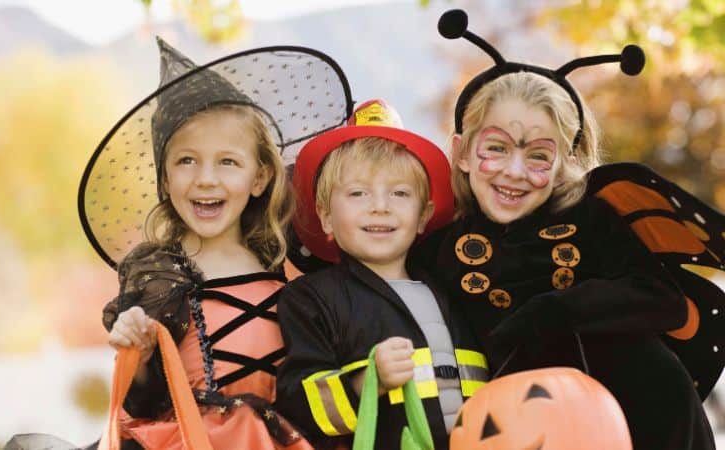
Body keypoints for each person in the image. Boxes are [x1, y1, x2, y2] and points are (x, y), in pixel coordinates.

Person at [412, 9, 720, 450]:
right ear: (461, 152)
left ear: (564, 165)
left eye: (538, 155)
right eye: (495, 148)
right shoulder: (439, 251)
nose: (514, 172)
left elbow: (663, 300)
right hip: (515, 428)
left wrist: (553, 311)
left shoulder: (591, 221)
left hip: (647, 414)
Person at [82, 37, 353, 450]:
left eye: (228, 161)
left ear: (259, 178)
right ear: (166, 179)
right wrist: (138, 353)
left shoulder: (289, 263)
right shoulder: (161, 273)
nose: (206, 178)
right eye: (187, 160)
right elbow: (143, 400)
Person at [275, 99, 489, 450]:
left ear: (424, 215)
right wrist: (366, 382)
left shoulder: (455, 288)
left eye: (400, 193)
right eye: (358, 193)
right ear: (326, 216)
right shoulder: (311, 298)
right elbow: (296, 405)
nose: (380, 205)